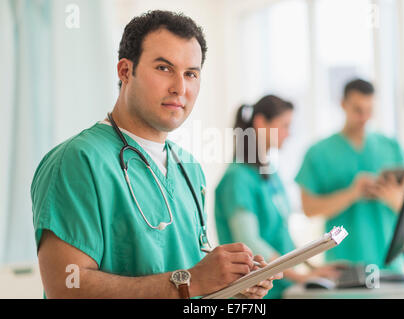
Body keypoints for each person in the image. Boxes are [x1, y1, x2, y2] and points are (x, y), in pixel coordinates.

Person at [31, 10, 282, 299]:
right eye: (164, 68)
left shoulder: (189, 168)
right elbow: (66, 287)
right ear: (125, 71)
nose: (180, 87)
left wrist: (231, 285)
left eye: (191, 74)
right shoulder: (77, 161)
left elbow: (188, 281)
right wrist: (190, 281)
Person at [215, 95, 341, 299]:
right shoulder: (237, 179)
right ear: (260, 123)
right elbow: (250, 241)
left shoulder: (270, 175)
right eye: (284, 126)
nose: (288, 134)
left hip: (280, 288)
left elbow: (283, 236)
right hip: (254, 294)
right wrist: (301, 277)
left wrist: (314, 268)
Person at [295, 79, 404, 273]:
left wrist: (393, 198)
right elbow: (308, 209)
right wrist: (352, 193)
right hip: (343, 266)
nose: (364, 117)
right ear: (343, 104)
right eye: (358, 110)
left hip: (389, 265)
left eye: (370, 110)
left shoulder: (391, 147)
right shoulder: (318, 153)